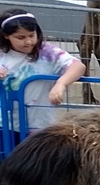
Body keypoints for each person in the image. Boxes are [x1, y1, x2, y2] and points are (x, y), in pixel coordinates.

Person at [0, 9, 85, 137]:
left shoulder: (47, 52)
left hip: (38, 125)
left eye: (31, 35)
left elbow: (78, 66)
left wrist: (60, 84)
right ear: (6, 36)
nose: (28, 42)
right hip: (4, 124)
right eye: (20, 37)